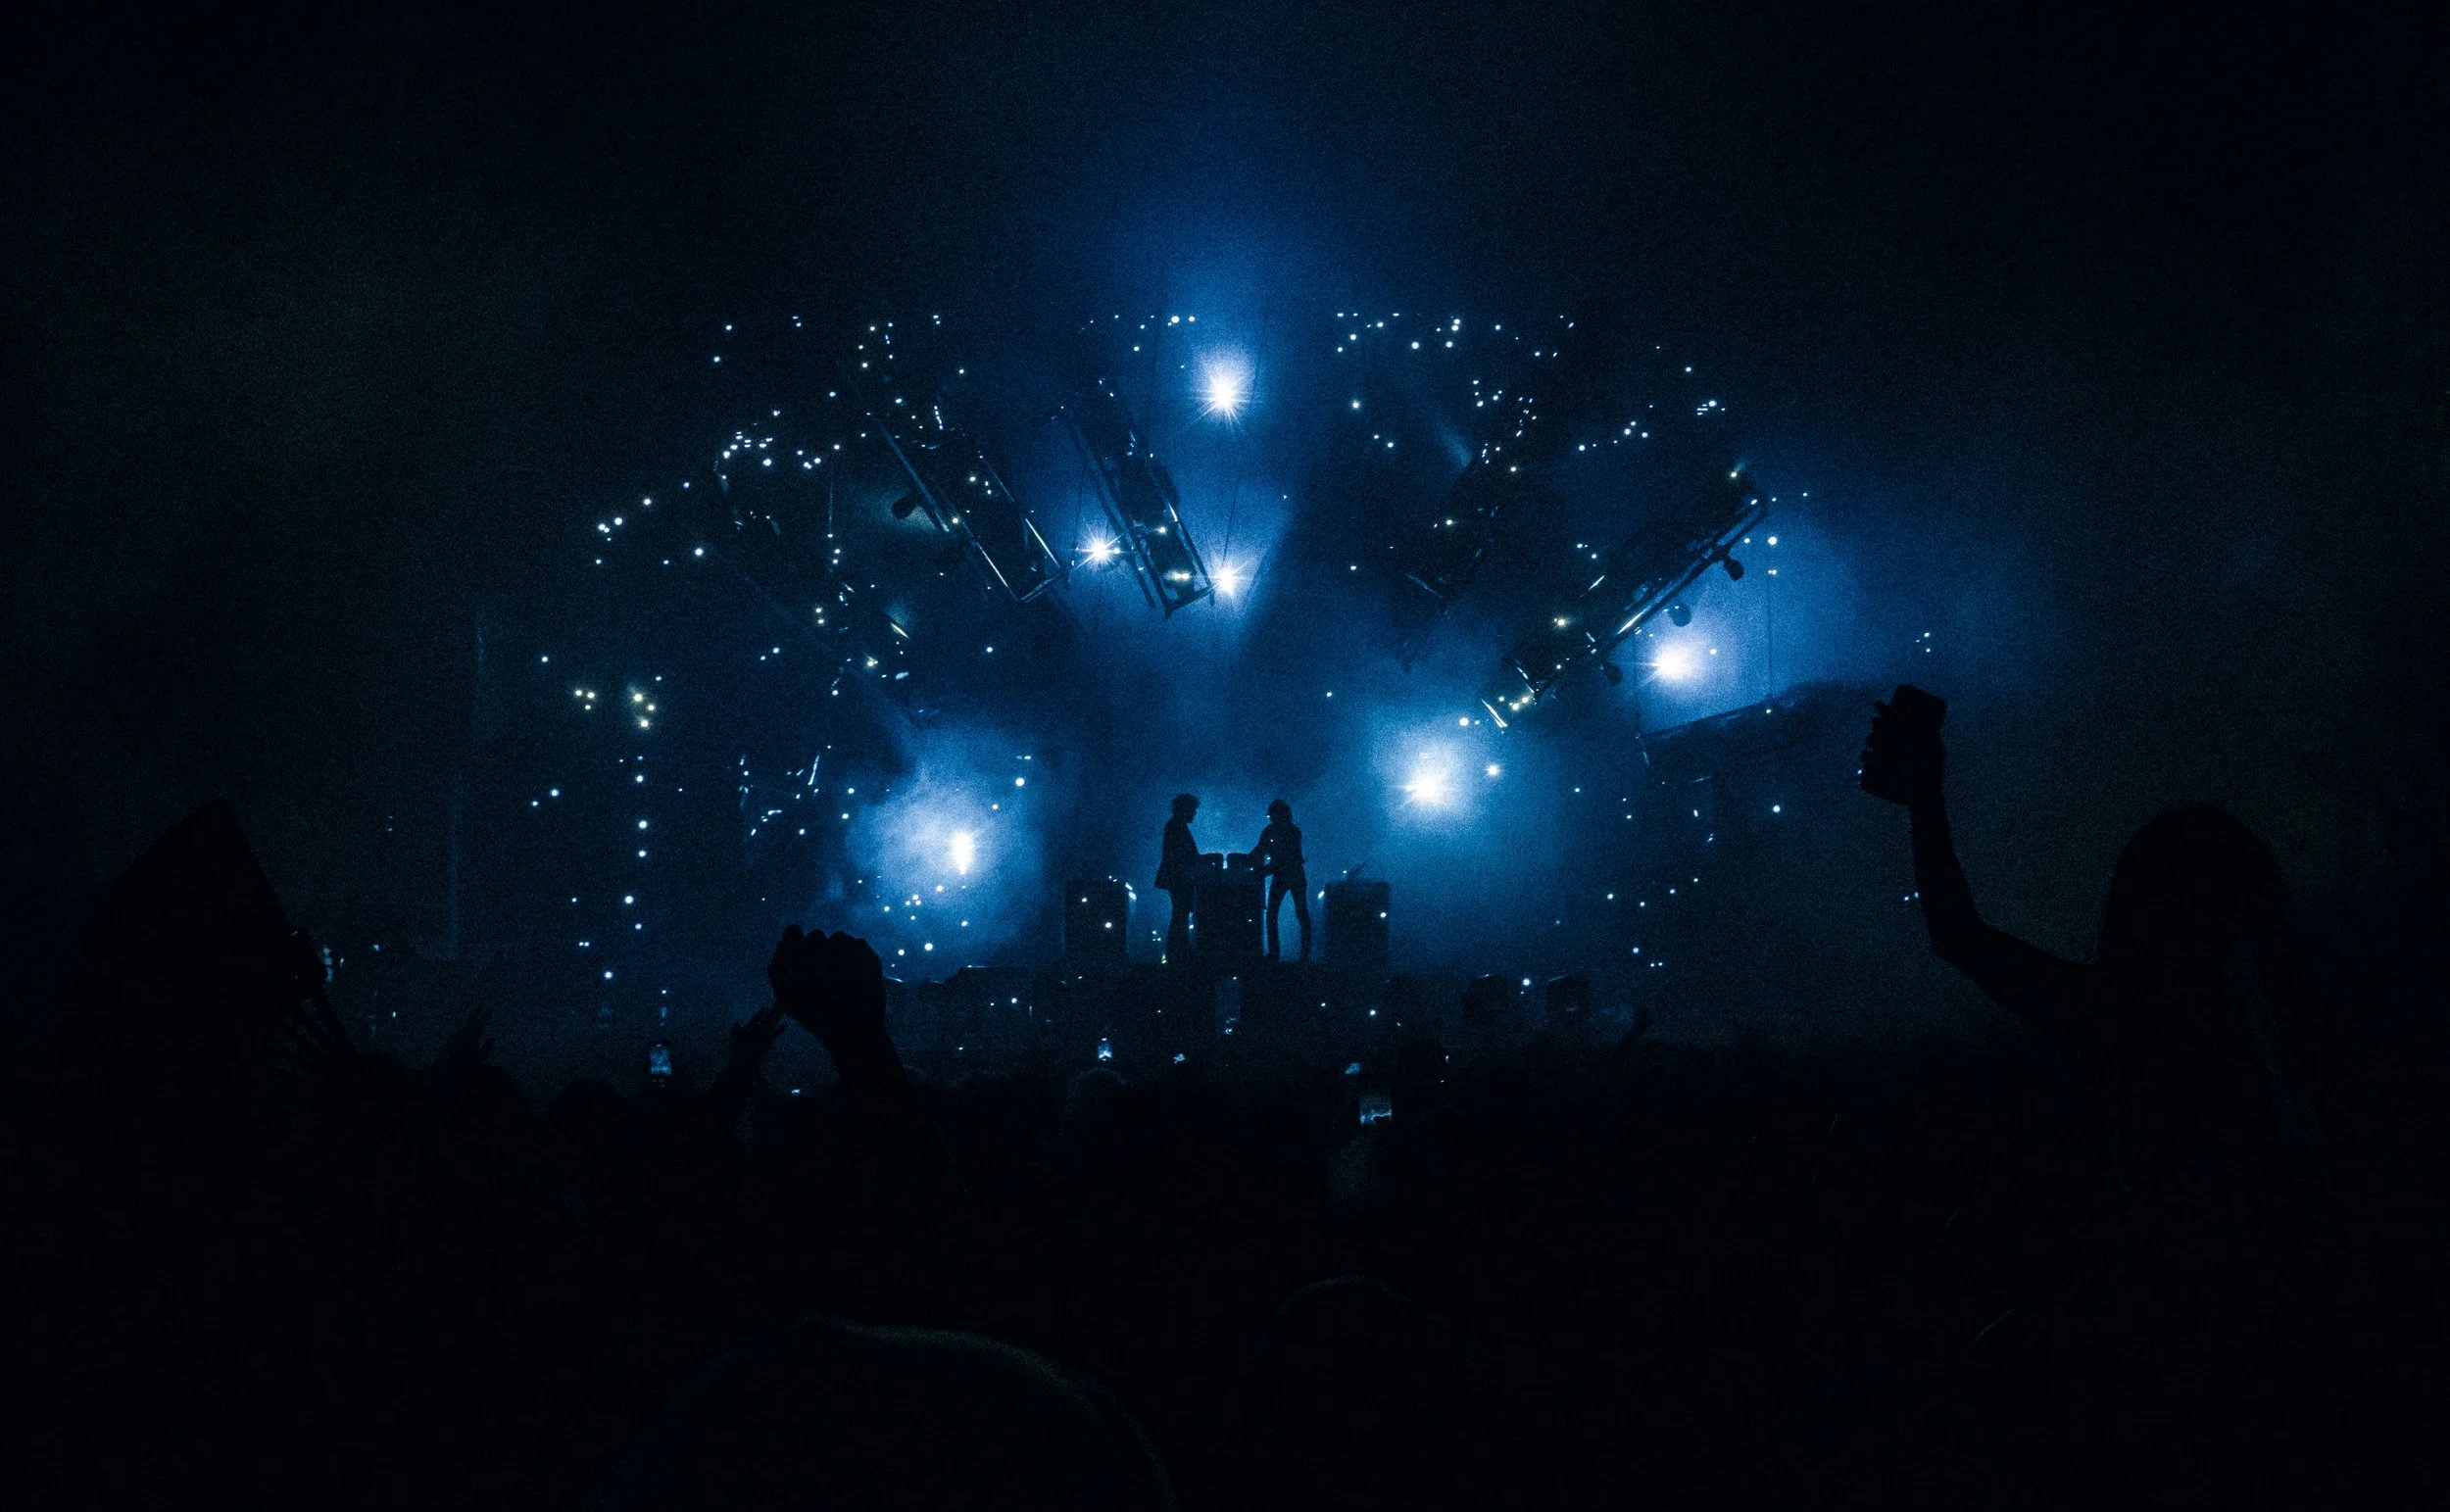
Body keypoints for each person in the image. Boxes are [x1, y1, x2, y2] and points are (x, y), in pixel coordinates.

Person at [1254, 800, 1310, 962]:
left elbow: (1283, 857)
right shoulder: (1283, 830)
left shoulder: (1290, 831)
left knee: (1294, 914)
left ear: (1281, 814)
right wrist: (1250, 860)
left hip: (1289, 875)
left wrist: (1262, 870)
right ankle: (1298, 955)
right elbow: (1260, 850)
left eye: (1273, 815)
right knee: (1294, 914)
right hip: (1290, 875)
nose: (1271, 818)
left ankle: (1279, 954)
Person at [1155, 794, 1201, 964]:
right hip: (1179, 878)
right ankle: (1179, 953)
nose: (1194, 813)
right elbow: (1181, 856)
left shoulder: (1176, 825)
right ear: (1185, 809)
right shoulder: (1176, 827)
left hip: (1178, 877)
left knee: (1180, 914)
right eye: (1193, 810)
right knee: (1180, 914)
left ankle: (1179, 952)